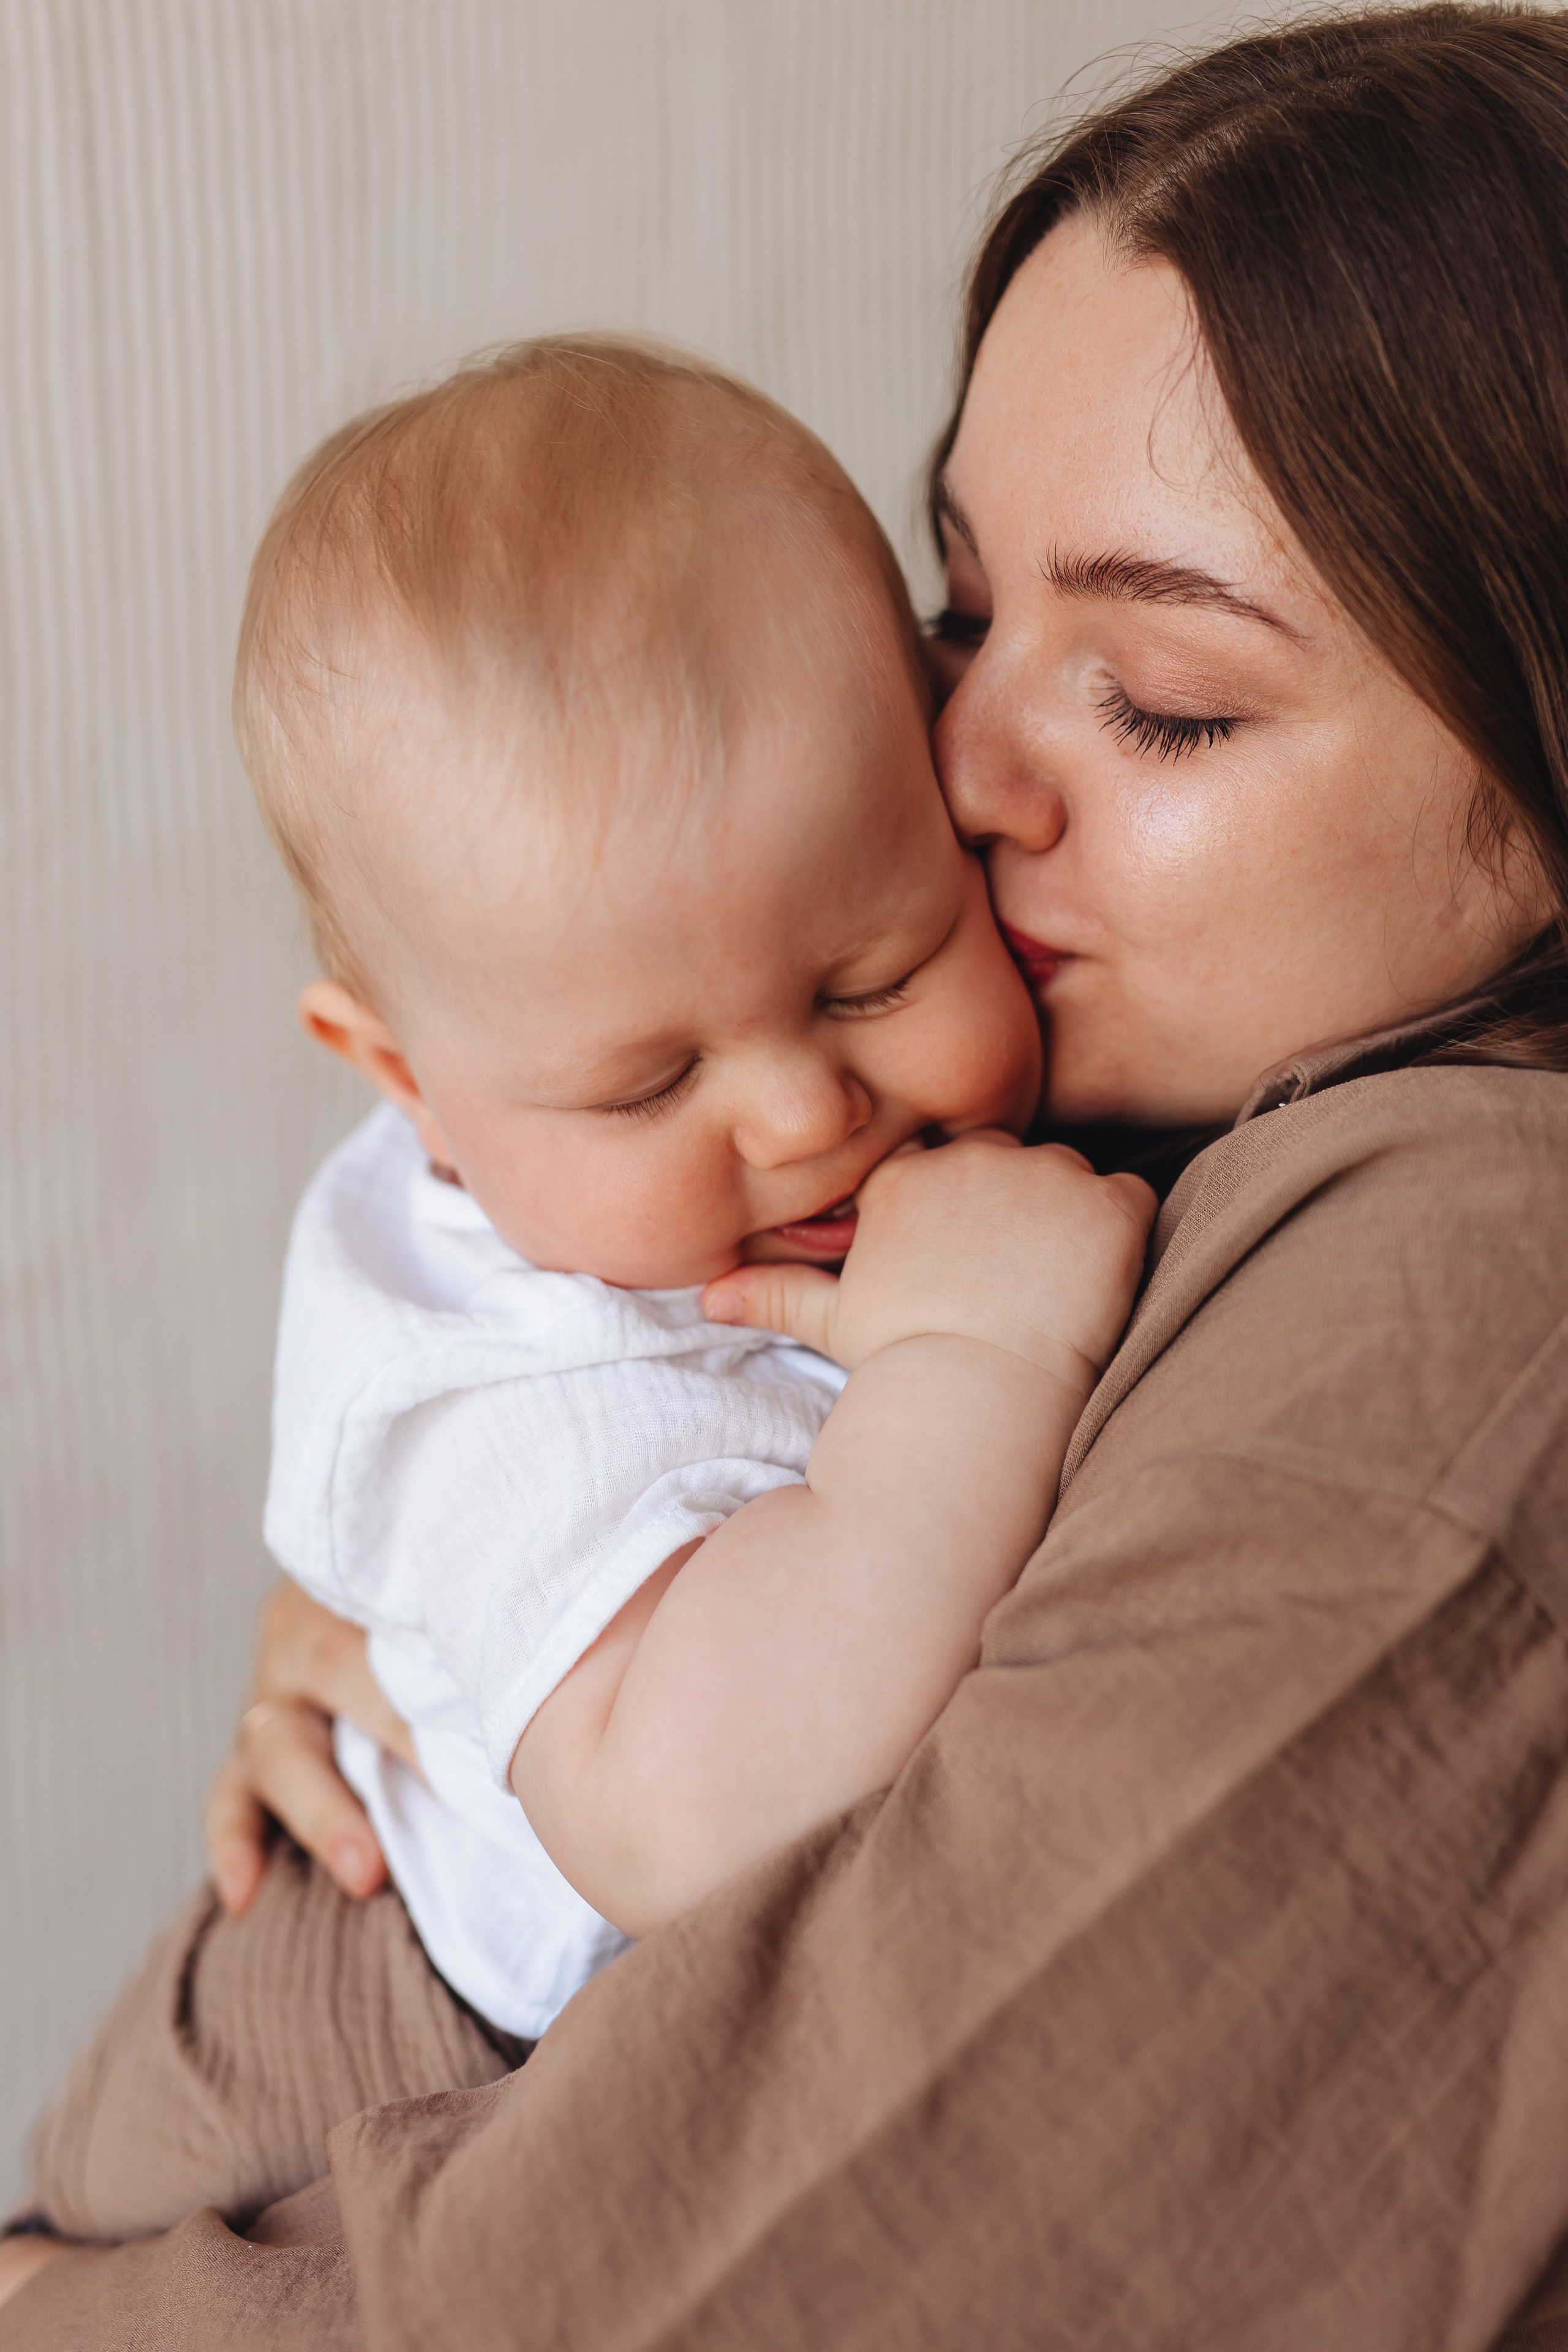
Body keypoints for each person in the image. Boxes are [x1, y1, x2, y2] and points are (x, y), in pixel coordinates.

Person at [9, 4, 1568, 2342]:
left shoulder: (1477, 1262)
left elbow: (769, 2265)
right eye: (964, 614)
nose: (958, 768)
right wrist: (405, 1591)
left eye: (1164, 701)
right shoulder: (1064, 1079)